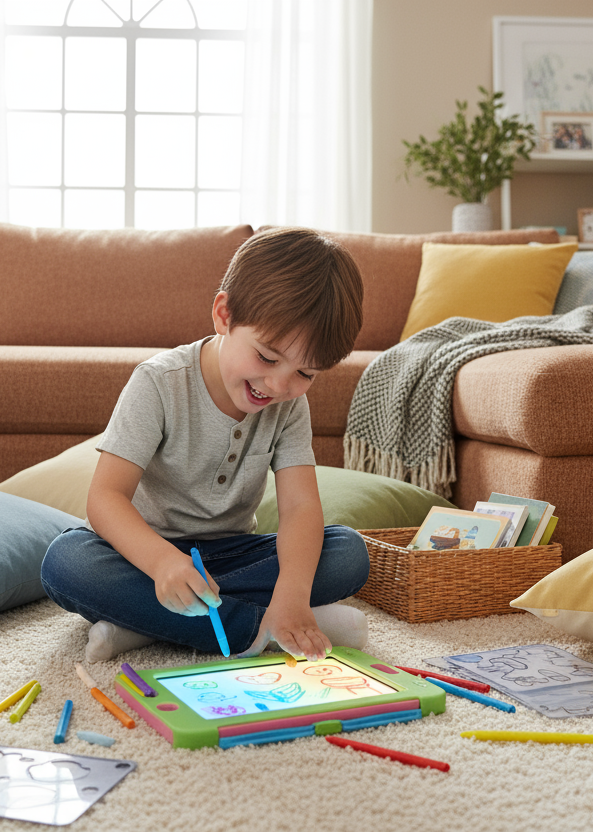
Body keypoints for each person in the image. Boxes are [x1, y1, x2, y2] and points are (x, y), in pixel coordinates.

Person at [41, 227, 371, 663]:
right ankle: (254, 629)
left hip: (231, 553)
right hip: (143, 552)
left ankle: (146, 623)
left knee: (348, 552)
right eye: (267, 358)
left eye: (305, 373)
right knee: (66, 563)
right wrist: (161, 564)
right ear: (224, 315)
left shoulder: (290, 406)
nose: (278, 384)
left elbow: (300, 509)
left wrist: (292, 593)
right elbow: (105, 499)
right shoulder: (158, 383)